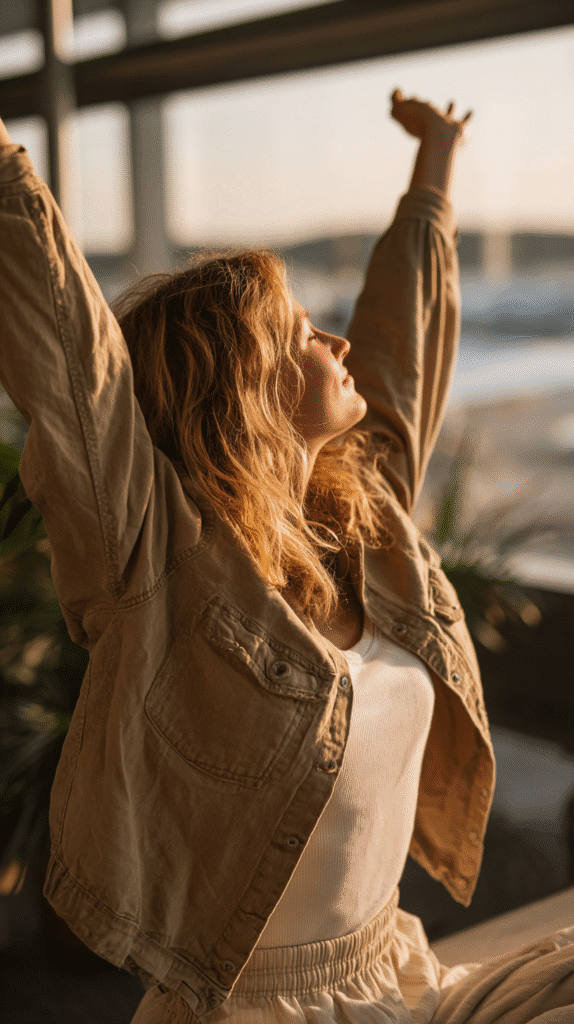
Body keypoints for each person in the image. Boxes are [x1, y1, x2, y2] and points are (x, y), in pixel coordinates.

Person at [0, 89, 573, 1024]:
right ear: (243, 387)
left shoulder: (361, 519)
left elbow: (400, 343)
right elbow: (70, 366)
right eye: (303, 330)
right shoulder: (159, 570)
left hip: (398, 973)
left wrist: (436, 163)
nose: (335, 338)